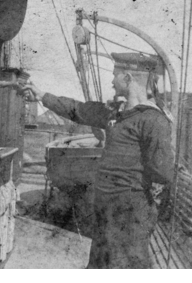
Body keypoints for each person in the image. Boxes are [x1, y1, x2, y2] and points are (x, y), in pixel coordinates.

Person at [19, 52, 174, 269]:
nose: (111, 81)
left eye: (115, 75)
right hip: (106, 211)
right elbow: (77, 110)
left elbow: (163, 172)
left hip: (129, 215)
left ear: (128, 78)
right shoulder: (115, 114)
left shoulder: (153, 120)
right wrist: (42, 95)